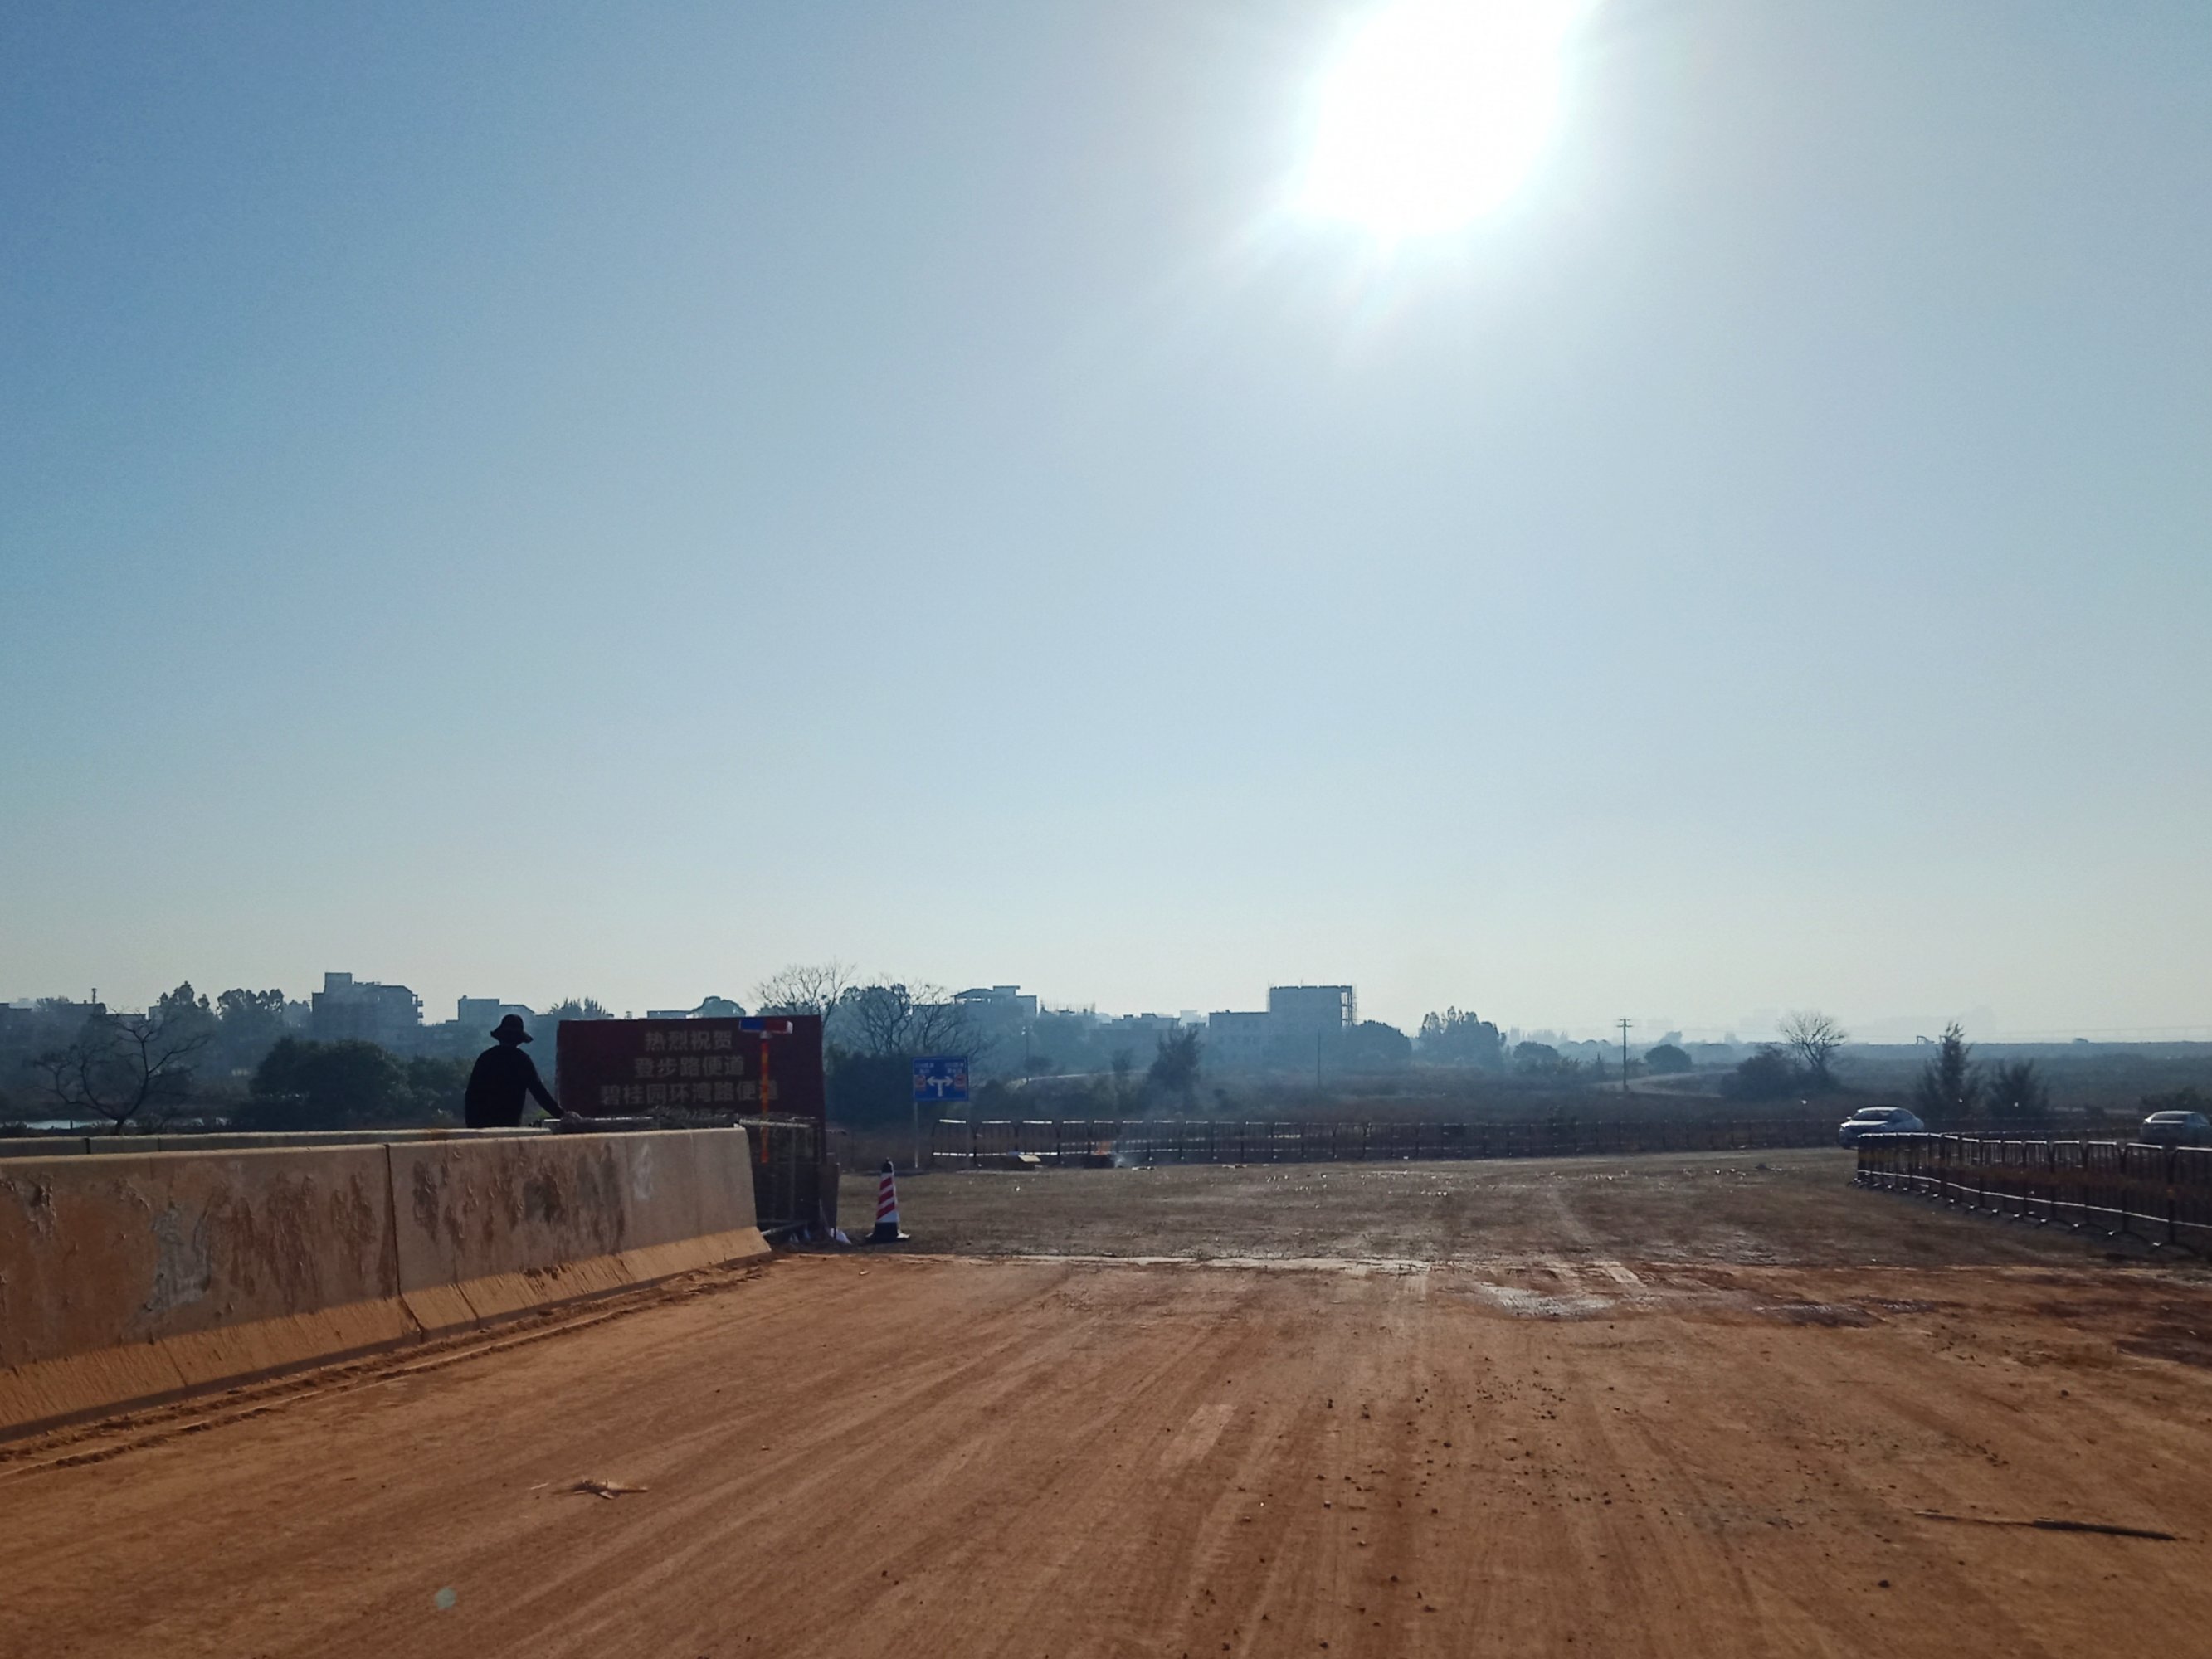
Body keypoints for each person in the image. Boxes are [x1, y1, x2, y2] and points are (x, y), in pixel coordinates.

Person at [465, 1014, 563, 1128]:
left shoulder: (486, 1058)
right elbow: (539, 1092)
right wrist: (561, 1115)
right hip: (508, 1124)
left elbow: (471, 1094)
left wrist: (472, 1124)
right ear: (519, 1040)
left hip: (481, 1124)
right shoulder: (522, 1060)